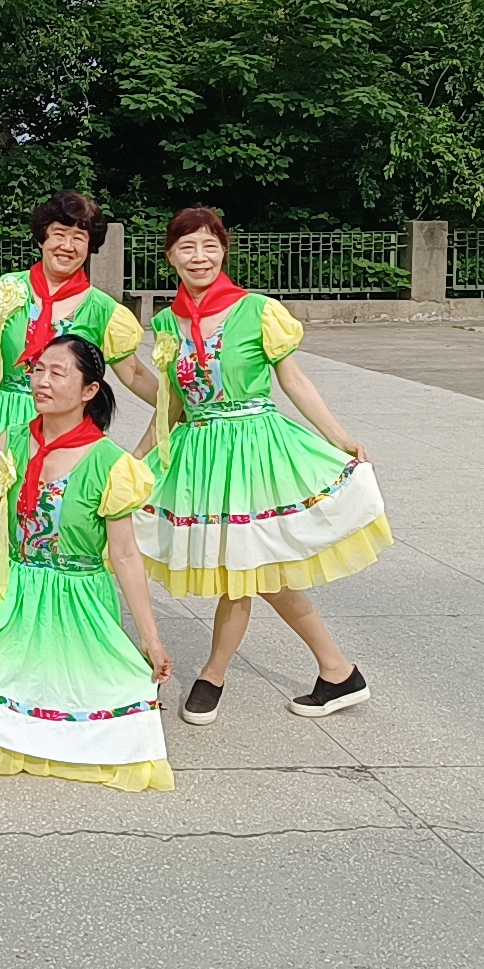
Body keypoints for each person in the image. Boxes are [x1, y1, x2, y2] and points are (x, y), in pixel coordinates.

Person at [137, 205, 391, 724]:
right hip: (201, 455)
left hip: (254, 451)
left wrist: (341, 438)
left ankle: (214, 676)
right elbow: (173, 403)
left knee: (247, 568)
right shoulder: (166, 323)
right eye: (187, 247)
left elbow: (294, 380)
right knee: (257, 570)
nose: (200, 256)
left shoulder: (257, 310)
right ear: (170, 257)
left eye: (209, 245)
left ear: (223, 252)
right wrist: (136, 459)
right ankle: (338, 671)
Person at [0, 335, 174, 790]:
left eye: (58, 373)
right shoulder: (13, 439)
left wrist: (150, 640)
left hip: (74, 592)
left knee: (74, 686)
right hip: (12, 577)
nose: (42, 381)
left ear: (90, 390)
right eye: (38, 370)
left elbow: (125, 554)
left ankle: (48, 733)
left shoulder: (111, 463)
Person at [0, 190, 156, 479]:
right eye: (59, 234)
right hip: (7, 420)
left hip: (70, 423)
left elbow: (135, 372)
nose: (67, 246)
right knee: (0, 502)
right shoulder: (10, 289)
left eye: (79, 237)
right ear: (42, 237)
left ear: (90, 246)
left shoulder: (102, 308)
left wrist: (181, 406)